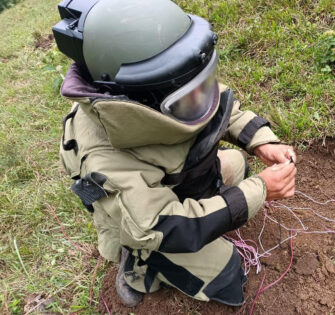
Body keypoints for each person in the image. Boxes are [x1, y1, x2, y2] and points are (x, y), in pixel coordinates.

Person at [53, 0, 296, 308]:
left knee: (236, 164)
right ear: (139, 100)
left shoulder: (172, 86)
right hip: (147, 221)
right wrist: (258, 191)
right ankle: (140, 266)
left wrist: (261, 140)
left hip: (171, 182)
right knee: (228, 276)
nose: (203, 94)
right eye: (190, 95)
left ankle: (198, 215)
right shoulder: (105, 157)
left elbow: (216, 102)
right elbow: (160, 225)